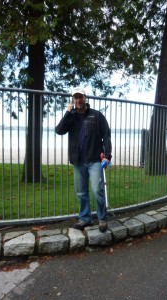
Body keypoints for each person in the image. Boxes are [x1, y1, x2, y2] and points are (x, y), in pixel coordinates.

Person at [55, 87, 112, 232]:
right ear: (73, 100)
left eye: (81, 97)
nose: (78, 100)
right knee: (81, 192)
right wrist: (68, 112)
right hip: (78, 161)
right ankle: (85, 219)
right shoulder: (71, 116)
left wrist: (107, 155)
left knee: (97, 190)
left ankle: (102, 219)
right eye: (76, 97)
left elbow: (106, 135)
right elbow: (59, 130)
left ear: (85, 98)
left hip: (95, 160)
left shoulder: (96, 115)